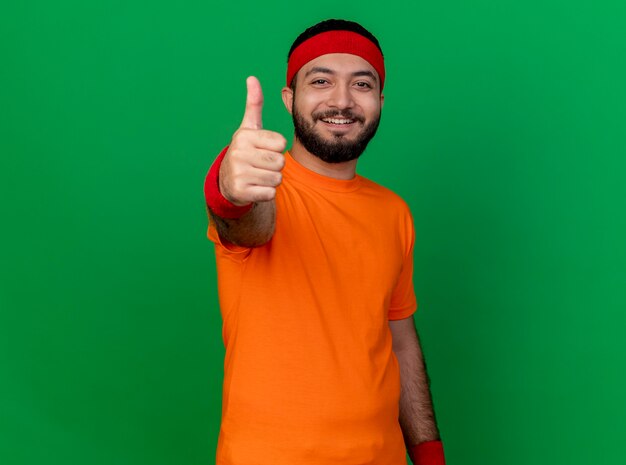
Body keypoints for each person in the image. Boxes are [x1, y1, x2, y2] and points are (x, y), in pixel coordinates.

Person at [204, 19, 446, 465]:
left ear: (380, 101)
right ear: (289, 98)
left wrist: (429, 453)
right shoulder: (266, 189)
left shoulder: (394, 212)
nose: (341, 100)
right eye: (321, 81)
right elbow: (245, 223)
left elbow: (400, 342)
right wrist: (230, 189)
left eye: (361, 84)